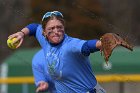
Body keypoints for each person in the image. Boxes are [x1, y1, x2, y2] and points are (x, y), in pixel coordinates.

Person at [8, 11, 106, 93]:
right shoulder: (44, 40)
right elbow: (34, 27)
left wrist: (101, 44)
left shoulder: (70, 45)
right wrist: (22, 33)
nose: (56, 31)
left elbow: (87, 46)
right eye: (51, 28)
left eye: (59, 27)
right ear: (44, 32)